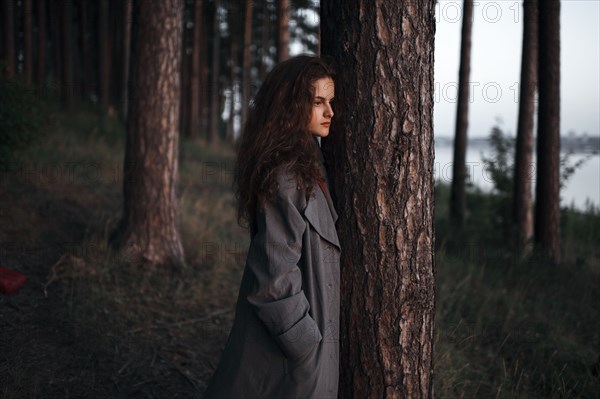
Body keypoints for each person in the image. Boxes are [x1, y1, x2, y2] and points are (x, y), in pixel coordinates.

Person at [203, 55, 340, 398]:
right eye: (319, 102)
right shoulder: (286, 176)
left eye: (331, 102)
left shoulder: (310, 163)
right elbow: (273, 276)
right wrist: (304, 343)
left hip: (310, 342)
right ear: (293, 106)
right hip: (292, 350)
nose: (330, 113)